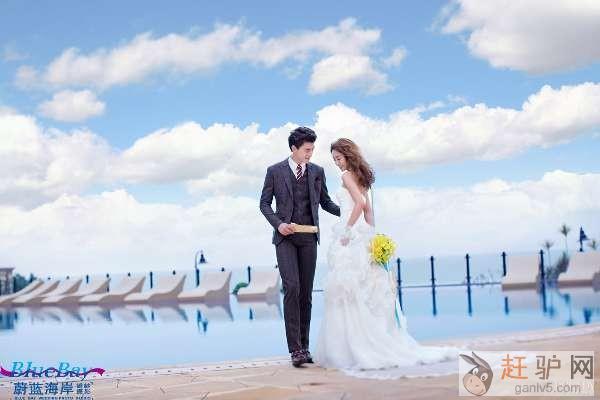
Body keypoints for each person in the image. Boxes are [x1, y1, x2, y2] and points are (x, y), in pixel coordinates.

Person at [314, 138, 462, 378]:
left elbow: (360, 203)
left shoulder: (347, 176)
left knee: (348, 289)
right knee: (364, 290)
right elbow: (369, 210)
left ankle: (351, 349)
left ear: (348, 156)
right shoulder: (362, 177)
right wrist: (372, 235)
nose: (337, 163)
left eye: (339, 158)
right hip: (363, 234)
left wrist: (347, 230)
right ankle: (364, 342)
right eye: (334, 160)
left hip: (351, 234)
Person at [259, 126, 340, 367]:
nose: (310, 153)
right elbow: (264, 204)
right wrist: (279, 224)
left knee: (305, 293)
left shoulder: (317, 172)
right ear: (293, 148)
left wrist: (350, 211)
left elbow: (325, 202)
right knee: (292, 288)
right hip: (285, 238)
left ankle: (304, 347)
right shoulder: (274, 171)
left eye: (312, 149)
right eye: (306, 149)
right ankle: (295, 350)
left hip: (309, 239)